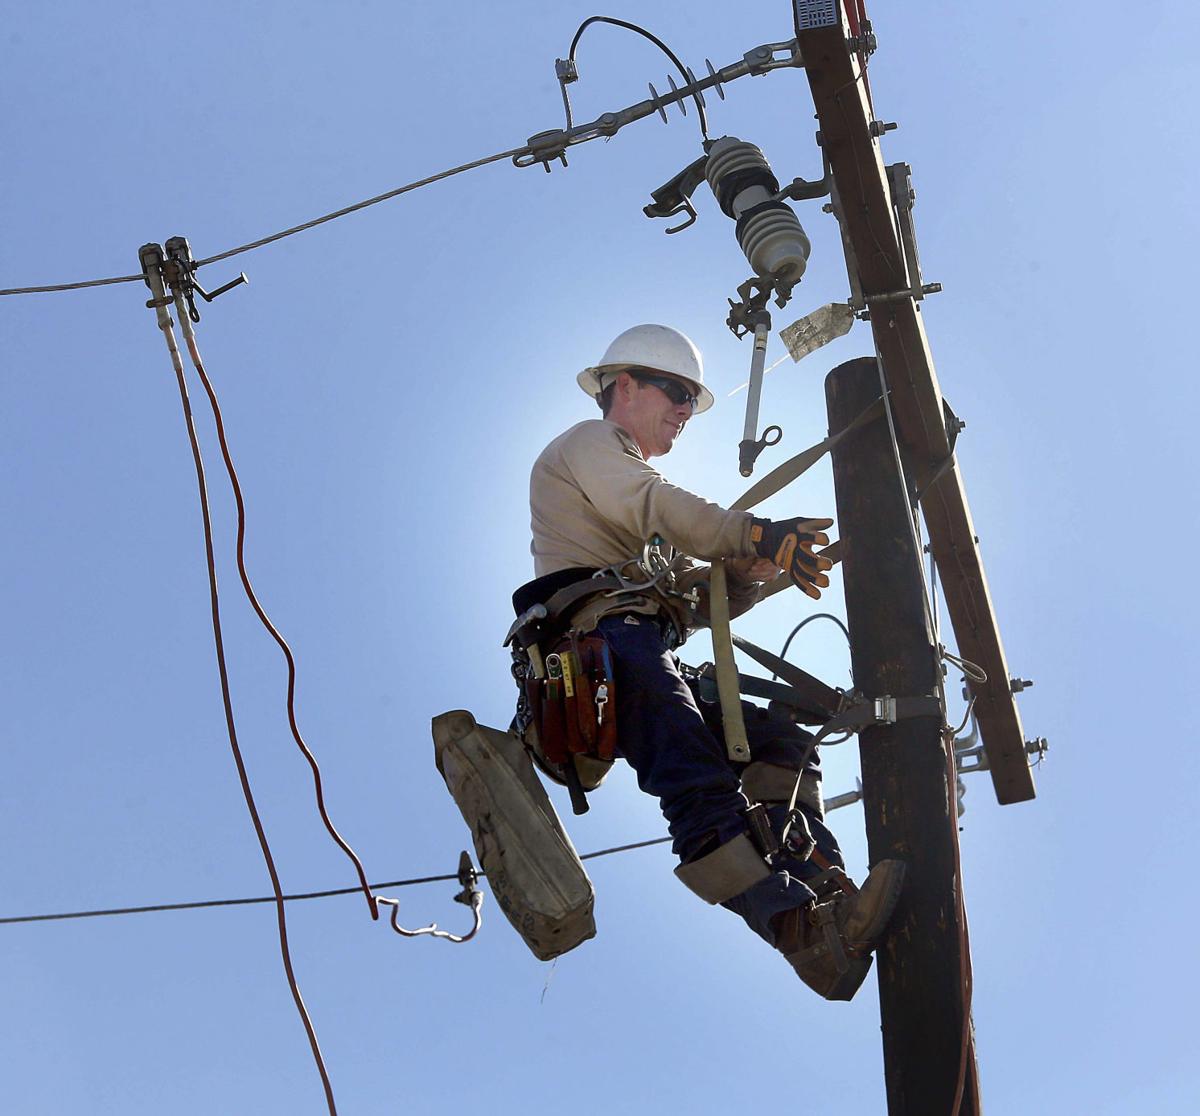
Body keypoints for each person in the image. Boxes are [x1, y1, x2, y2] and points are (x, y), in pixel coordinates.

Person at [517, 323, 904, 1000]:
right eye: (677, 393)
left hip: (642, 644)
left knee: (781, 742)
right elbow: (657, 505)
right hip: (604, 649)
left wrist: (748, 568)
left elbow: (691, 601)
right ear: (625, 385)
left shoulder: (626, 506)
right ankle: (798, 932)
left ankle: (826, 891)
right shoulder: (591, 447)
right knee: (698, 785)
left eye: (693, 401)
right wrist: (752, 531)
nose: (686, 412)